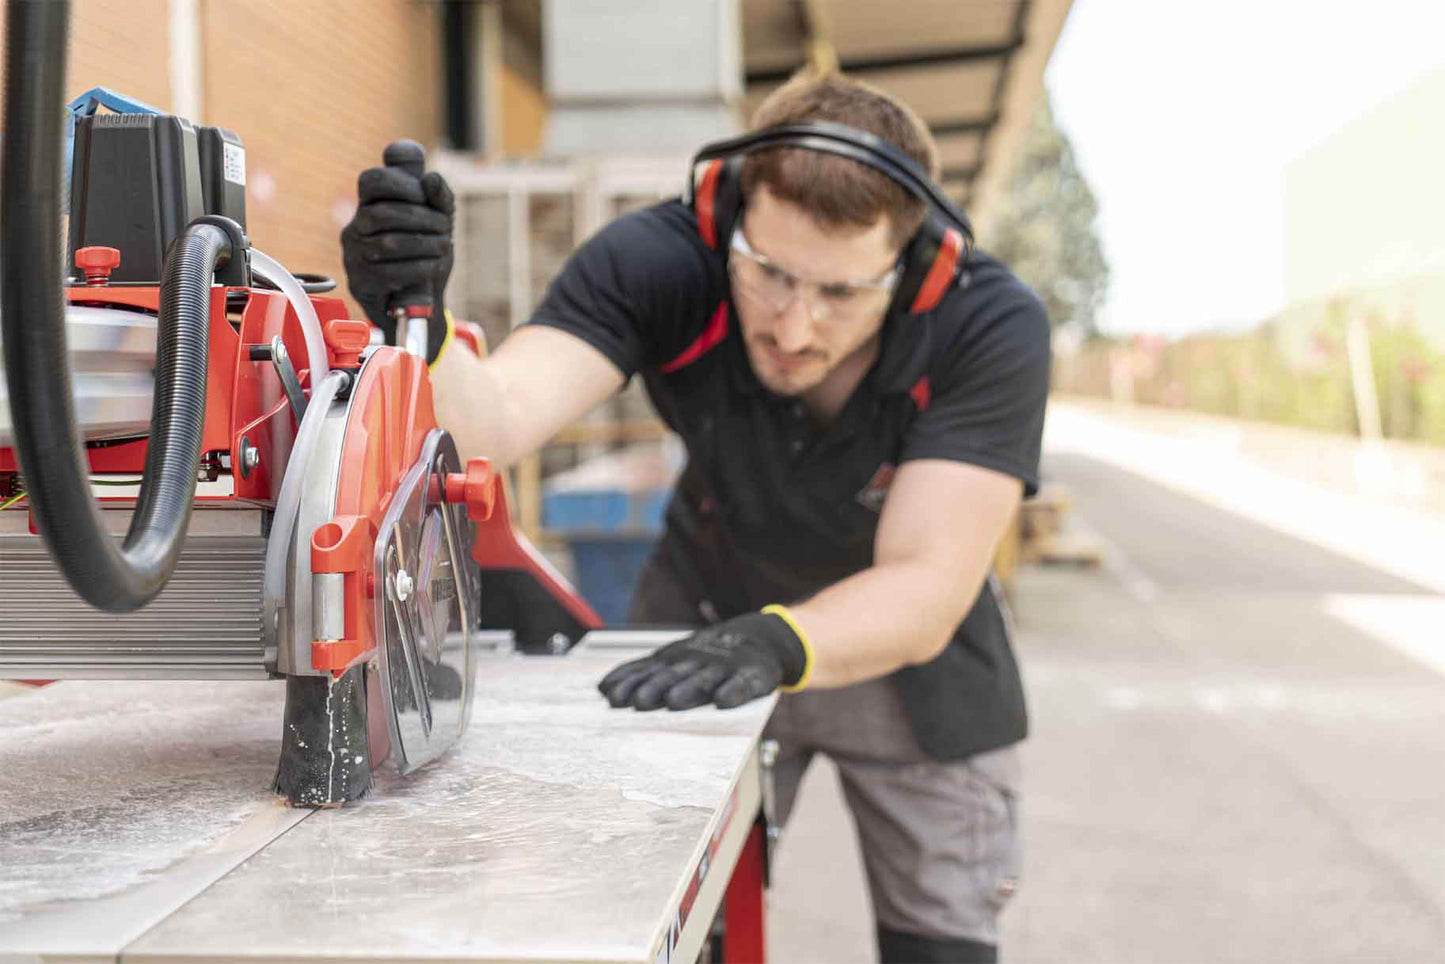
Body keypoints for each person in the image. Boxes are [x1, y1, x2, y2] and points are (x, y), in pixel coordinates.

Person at [341, 71, 1050, 964]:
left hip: (908, 659)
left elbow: (927, 580)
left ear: (915, 265)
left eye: (840, 294)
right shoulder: (660, 259)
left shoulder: (987, 322)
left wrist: (777, 642)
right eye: (769, 274)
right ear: (728, 217)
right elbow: (497, 424)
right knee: (673, 912)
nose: (793, 328)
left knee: (940, 945)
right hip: (706, 620)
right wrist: (422, 322)